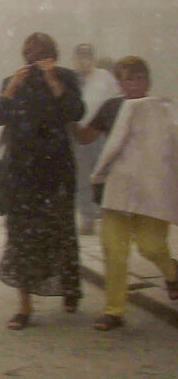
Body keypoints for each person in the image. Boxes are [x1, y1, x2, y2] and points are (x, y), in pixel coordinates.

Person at [74, 56, 178, 331]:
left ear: (148, 81)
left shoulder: (162, 109)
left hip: (152, 191)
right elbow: (86, 137)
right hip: (117, 191)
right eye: (128, 79)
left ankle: (172, 272)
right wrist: (68, 113)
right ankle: (114, 310)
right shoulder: (112, 108)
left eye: (138, 78)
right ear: (120, 83)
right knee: (114, 250)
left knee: (151, 246)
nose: (134, 85)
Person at [0, 32, 84, 330]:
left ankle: (70, 288)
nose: (35, 59)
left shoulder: (66, 78)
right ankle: (24, 306)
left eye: (42, 53)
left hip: (55, 170)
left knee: (61, 233)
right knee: (20, 238)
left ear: (53, 55)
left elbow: (75, 111)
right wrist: (12, 88)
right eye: (31, 54)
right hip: (21, 172)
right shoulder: (13, 81)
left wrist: (53, 79)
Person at [71, 43, 121, 235]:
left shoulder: (104, 78)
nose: (84, 61)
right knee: (82, 177)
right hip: (78, 135)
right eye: (80, 57)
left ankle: (106, 212)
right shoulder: (71, 79)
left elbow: (116, 100)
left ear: (93, 58)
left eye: (87, 57)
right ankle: (87, 216)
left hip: (100, 134)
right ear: (74, 59)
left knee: (104, 174)